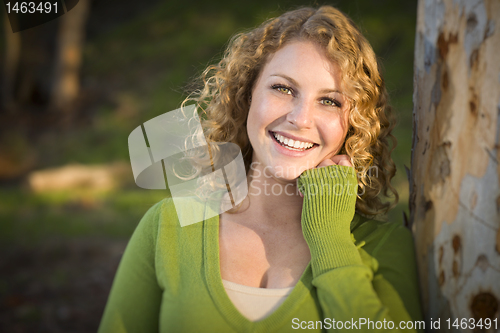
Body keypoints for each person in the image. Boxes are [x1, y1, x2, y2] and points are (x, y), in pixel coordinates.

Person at [98, 5, 423, 332]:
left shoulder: (384, 246)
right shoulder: (167, 226)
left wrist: (330, 240)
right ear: (247, 94)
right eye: (283, 89)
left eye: (330, 101)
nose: (300, 118)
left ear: (354, 124)